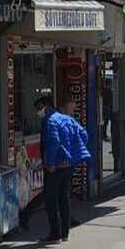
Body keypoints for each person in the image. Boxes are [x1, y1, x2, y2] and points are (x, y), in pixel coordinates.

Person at [38, 96, 91, 241]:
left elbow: (54, 142)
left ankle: (55, 233)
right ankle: (65, 233)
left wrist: (51, 163)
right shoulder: (67, 119)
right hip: (68, 165)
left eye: (39, 108)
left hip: (55, 167)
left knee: (51, 199)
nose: (38, 112)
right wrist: (73, 153)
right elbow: (83, 134)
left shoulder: (51, 121)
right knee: (64, 198)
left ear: (46, 106)